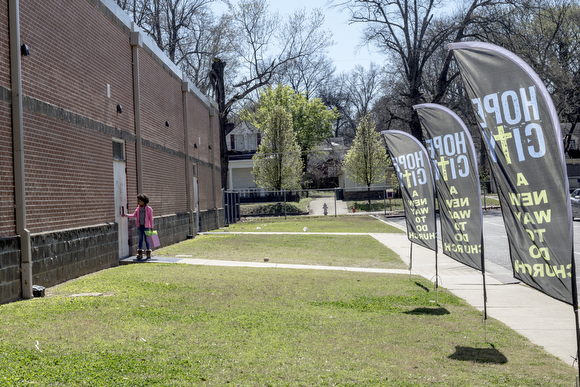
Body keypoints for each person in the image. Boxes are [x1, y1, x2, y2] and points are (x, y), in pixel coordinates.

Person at [124, 193, 154, 261]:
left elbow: (151, 218)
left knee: (147, 240)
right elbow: (134, 215)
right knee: (140, 239)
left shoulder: (149, 209)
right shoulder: (138, 209)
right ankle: (140, 254)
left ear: (143, 201)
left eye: (139, 201)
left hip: (146, 227)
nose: (138, 202)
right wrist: (126, 215)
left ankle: (148, 253)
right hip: (139, 226)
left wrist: (151, 227)